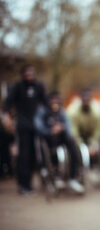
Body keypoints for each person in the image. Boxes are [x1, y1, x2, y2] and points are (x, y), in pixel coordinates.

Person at [1, 64, 47, 194]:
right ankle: (23, 185)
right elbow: (7, 103)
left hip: (36, 126)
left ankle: (30, 184)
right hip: (22, 126)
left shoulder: (39, 86)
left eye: (31, 73)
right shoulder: (18, 86)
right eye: (27, 73)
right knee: (24, 155)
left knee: (34, 156)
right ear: (23, 74)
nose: (29, 75)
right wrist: (6, 117)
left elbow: (46, 103)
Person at [34, 91, 85, 194]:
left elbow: (68, 126)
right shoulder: (42, 112)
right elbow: (38, 127)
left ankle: (73, 177)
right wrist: (51, 131)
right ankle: (55, 173)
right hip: (48, 139)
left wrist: (61, 128)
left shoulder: (61, 112)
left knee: (72, 143)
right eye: (53, 100)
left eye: (57, 100)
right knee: (51, 144)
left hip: (62, 138)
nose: (55, 102)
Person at [66, 88, 100, 167]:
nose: (86, 101)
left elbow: (98, 130)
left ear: (91, 99)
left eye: (88, 99)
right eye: (84, 99)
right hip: (78, 137)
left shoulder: (98, 111)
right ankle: (75, 170)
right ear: (81, 99)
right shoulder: (72, 111)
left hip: (91, 136)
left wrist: (93, 144)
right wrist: (80, 145)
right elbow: (73, 131)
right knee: (72, 145)